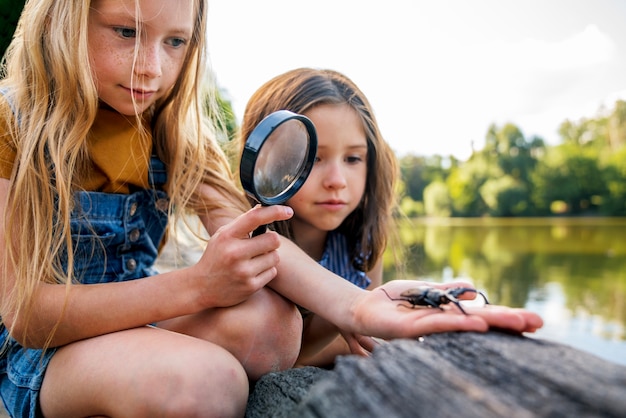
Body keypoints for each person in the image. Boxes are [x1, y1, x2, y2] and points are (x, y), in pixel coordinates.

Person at [0, 1, 542, 417]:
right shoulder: (15, 129)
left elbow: (263, 243)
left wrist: (360, 308)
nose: (151, 67)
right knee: (207, 383)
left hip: (135, 324)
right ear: (64, 18)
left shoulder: (174, 137)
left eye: (176, 42)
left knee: (272, 325)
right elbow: (26, 315)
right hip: (43, 353)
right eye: (126, 32)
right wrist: (196, 287)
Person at [238, 68, 400, 367]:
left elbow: (363, 342)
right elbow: (283, 354)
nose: (337, 180)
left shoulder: (361, 245)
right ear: (264, 162)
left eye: (353, 158)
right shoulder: (248, 245)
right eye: (313, 158)